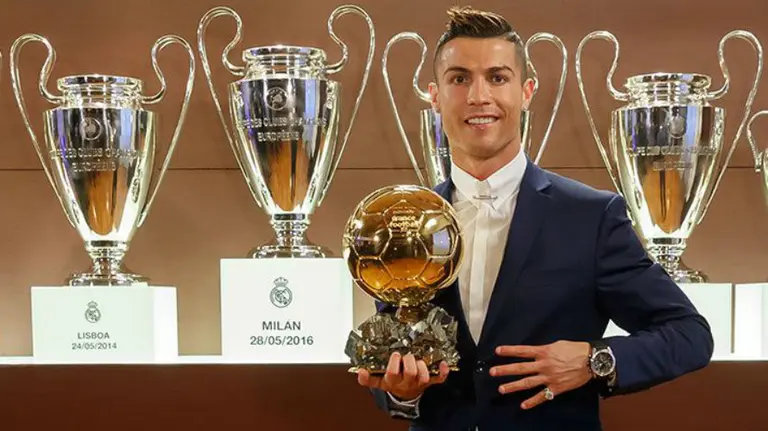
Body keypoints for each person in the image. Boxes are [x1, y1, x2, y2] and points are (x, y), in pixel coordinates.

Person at [356, 5, 714, 431]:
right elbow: (393, 363)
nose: (478, 96)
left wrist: (593, 360)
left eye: (497, 77)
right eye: (459, 79)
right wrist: (401, 392)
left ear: (525, 92)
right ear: (434, 95)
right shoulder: (407, 222)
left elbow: (690, 334)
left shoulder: (591, 216)